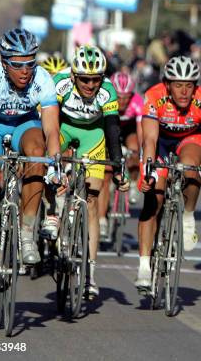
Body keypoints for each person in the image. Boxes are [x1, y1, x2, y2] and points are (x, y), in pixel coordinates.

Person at [0, 28, 63, 299]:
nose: (25, 70)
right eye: (18, 65)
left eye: (30, 62)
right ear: (4, 63)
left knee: (37, 151)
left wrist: (55, 165)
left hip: (24, 124)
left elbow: (52, 129)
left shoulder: (42, 79)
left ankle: (27, 232)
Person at [135, 56, 201, 289]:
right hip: (161, 141)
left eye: (189, 85)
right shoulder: (154, 97)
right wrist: (148, 173)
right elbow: (150, 139)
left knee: (190, 168)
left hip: (189, 139)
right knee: (153, 200)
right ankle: (144, 266)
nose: (184, 92)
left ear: (196, 86)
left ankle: (188, 215)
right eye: (178, 85)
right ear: (167, 85)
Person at [50, 45, 129, 298]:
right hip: (63, 128)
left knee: (92, 199)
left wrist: (117, 167)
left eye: (96, 79)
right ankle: (53, 213)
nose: (90, 85)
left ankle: (90, 274)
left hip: (92, 135)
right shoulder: (60, 83)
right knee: (47, 165)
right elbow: (48, 123)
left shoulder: (107, 91)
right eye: (85, 79)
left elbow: (113, 130)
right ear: (74, 76)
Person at [97, 72, 143, 238]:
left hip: (129, 129)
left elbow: (141, 131)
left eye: (126, 97)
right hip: (109, 127)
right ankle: (102, 219)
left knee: (135, 147)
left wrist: (139, 153)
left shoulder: (138, 102)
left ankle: (131, 183)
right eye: (120, 97)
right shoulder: (105, 98)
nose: (123, 101)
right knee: (105, 174)